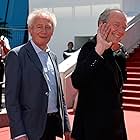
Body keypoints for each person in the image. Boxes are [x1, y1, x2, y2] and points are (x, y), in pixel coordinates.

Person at [5, 9, 71, 140]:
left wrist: (66, 126)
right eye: (39, 27)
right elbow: (11, 99)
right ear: (30, 29)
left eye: (48, 27)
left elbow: (60, 95)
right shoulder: (17, 55)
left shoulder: (53, 57)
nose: (44, 31)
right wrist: (19, 133)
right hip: (29, 128)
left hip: (52, 125)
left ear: (52, 31)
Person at [71, 8, 128, 140]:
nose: (121, 31)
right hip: (94, 128)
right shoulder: (91, 47)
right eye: (116, 25)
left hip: (115, 127)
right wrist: (99, 50)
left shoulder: (118, 52)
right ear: (101, 24)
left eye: (124, 27)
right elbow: (77, 80)